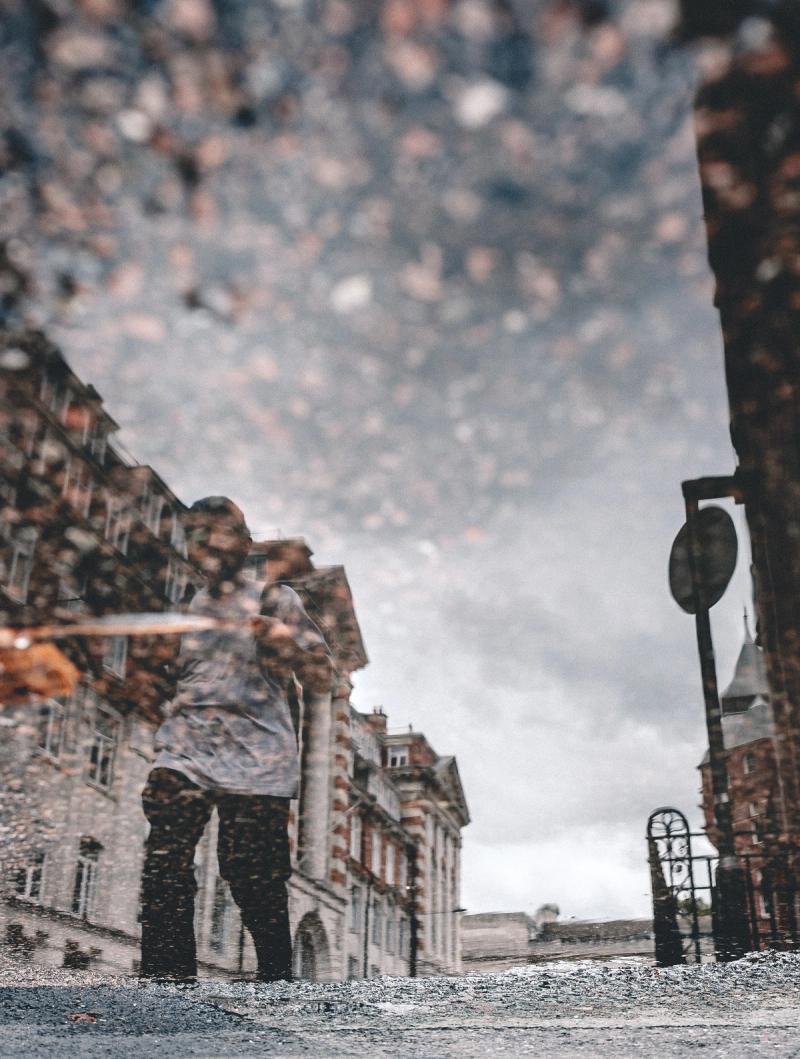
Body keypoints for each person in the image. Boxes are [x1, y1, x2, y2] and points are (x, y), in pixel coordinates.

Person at [139, 496, 331, 982]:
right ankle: (167, 974)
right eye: (196, 533)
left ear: (243, 544)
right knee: (165, 855)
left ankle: (275, 974)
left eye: (218, 531)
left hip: (257, 757)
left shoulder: (276, 600)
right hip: (186, 749)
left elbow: (323, 677)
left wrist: (285, 643)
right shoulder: (187, 607)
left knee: (251, 875)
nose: (206, 542)